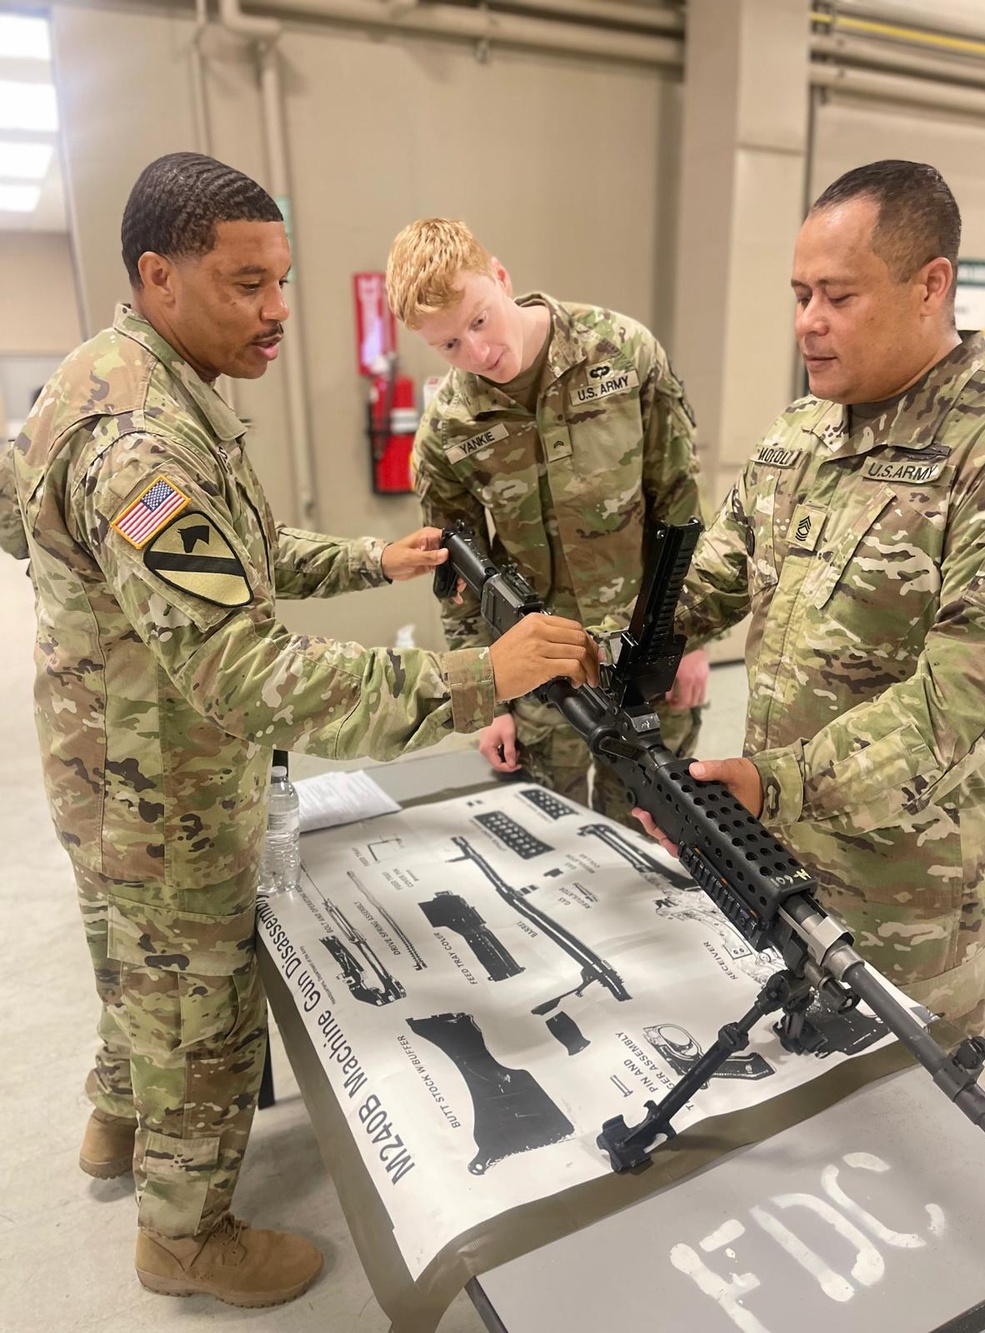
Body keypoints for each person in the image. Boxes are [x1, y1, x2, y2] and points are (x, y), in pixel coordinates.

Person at [0, 152, 599, 1308]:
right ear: (157, 275)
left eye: (282, 278)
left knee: (130, 962)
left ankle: (117, 1123)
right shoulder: (145, 443)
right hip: (159, 783)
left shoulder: (111, 375)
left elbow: (214, 554)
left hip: (96, 751)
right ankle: (185, 1231)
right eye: (245, 283)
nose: (278, 310)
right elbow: (245, 670)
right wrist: (481, 675)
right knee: (196, 995)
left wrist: (372, 555)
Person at [638, 160, 985, 1038]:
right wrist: (610, 647)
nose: (808, 323)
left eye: (837, 296)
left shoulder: (982, 451)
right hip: (782, 865)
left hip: (906, 908)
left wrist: (774, 784)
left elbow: (961, 698)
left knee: (902, 1144)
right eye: (800, 294)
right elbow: (716, 573)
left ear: (931, 286)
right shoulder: (801, 431)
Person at [384, 219, 710, 826]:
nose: (478, 353)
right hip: (540, 681)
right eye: (450, 345)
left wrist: (696, 638)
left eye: (480, 320)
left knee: (653, 839)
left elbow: (680, 500)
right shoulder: (448, 430)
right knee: (553, 849)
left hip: (647, 658)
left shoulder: (623, 352)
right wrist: (487, 702)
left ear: (501, 278)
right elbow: (458, 577)